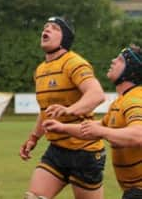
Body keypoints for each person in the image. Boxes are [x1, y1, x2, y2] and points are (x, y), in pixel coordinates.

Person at [19, 16, 106, 199]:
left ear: (64, 38)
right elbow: (45, 112)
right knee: (33, 197)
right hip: (57, 150)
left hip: (85, 151)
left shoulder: (74, 63)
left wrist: (70, 109)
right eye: (45, 27)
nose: (47, 29)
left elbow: (96, 94)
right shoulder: (40, 70)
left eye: (54, 28)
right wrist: (34, 138)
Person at [43, 45, 142, 199]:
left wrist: (102, 132)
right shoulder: (121, 102)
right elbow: (96, 128)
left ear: (132, 70)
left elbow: (138, 135)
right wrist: (62, 127)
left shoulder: (135, 100)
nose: (113, 60)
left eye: (120, 60)